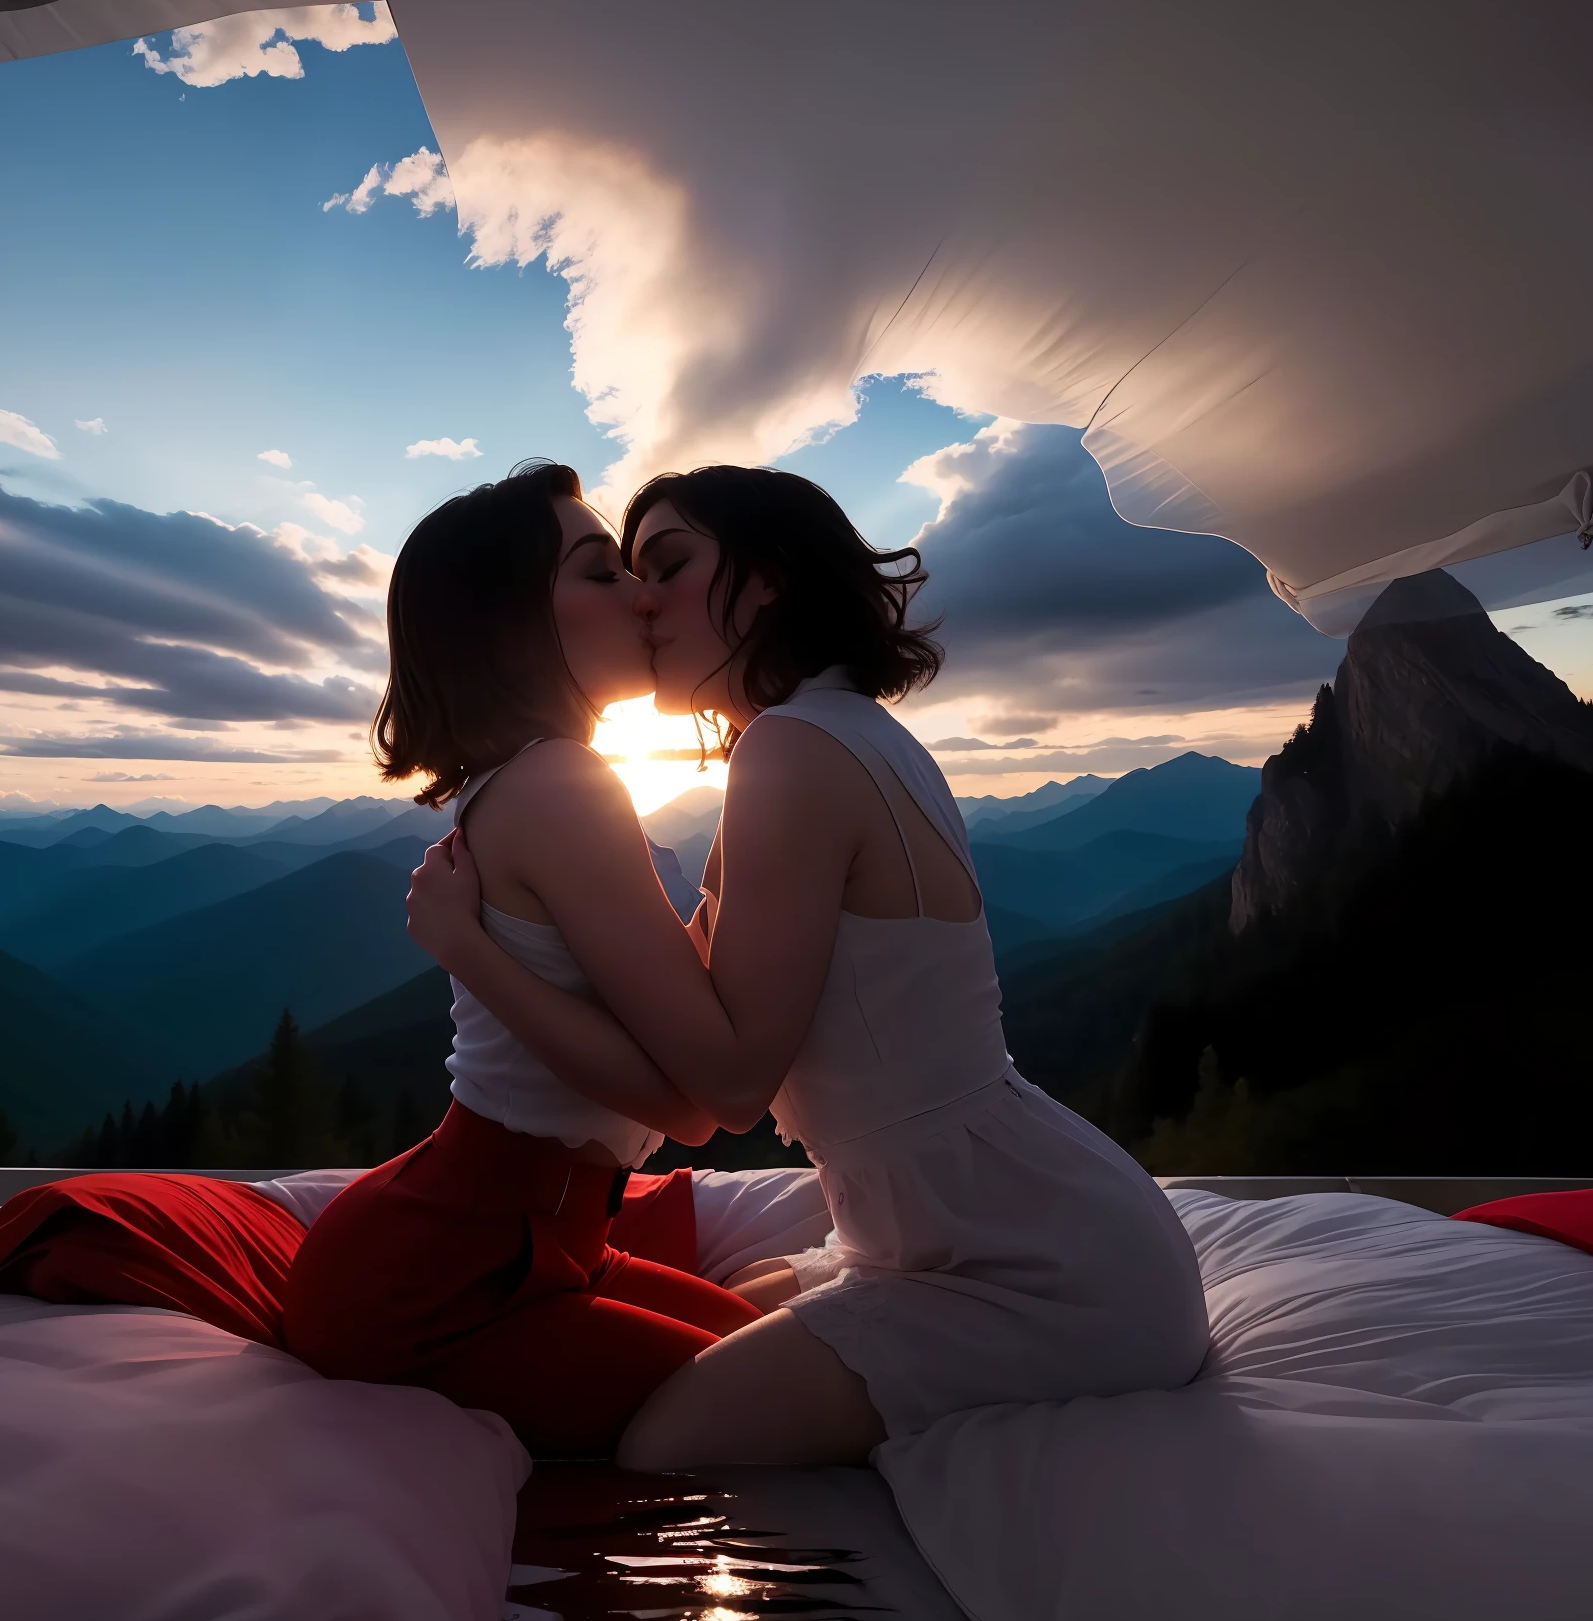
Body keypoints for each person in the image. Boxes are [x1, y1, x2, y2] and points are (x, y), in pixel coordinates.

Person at [407, 465, 1210, 1469]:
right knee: (705, 1339)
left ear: (770, 577)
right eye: (625, 571)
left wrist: (470, 949)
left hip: (1033, 1265)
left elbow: (731, 1081)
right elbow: (693, 1003)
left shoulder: (789, 750)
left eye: (667, 564)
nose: (645, 597)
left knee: (663, 1441)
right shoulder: (840, 731)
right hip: (990, 1221)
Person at [280, 462, 760, 1456]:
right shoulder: (561, 783)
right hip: (445, 1280)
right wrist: (464, 949)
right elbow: (685, 1105)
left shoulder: (526, 779)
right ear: (509, 622)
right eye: (597, 572)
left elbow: (677, 1008)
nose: (640, 593)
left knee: (783, 1349)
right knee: (811, 1392)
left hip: (518, 1241)